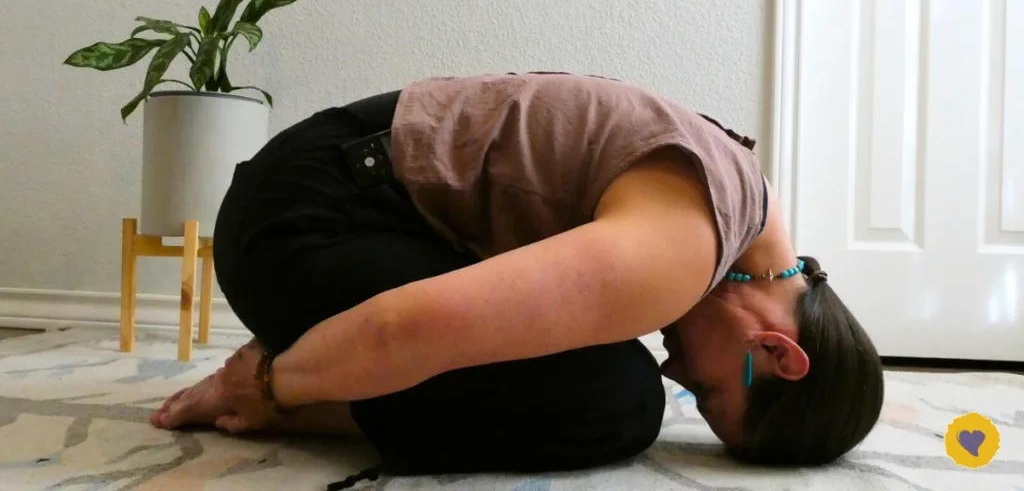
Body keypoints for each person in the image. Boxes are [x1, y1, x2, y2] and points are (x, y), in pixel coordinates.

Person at [149, 72, 884, 485]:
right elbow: (405, 328)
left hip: (326, 189)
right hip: (302, 225)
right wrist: (272, 386)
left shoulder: (747, 203)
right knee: (618, 400)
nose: (678, 371)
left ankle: (325, 368)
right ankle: (311, 386)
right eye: (710, 389)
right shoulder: (688, 244)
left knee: (597, 367)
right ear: (777, 351)